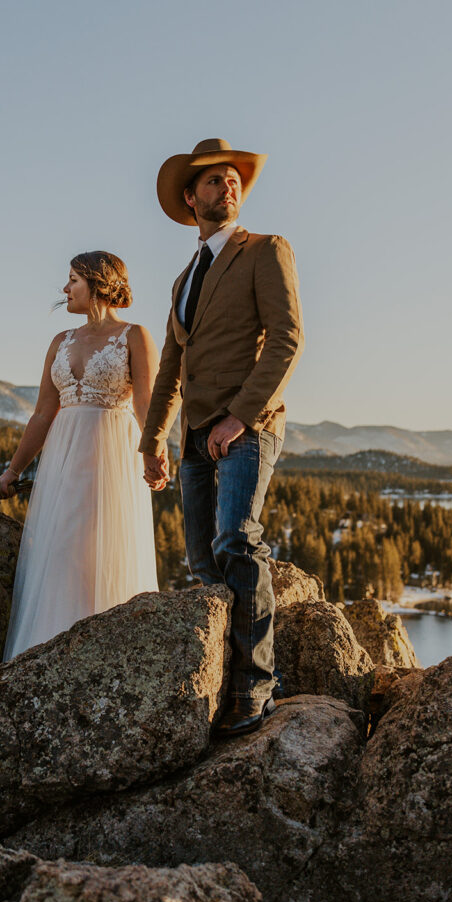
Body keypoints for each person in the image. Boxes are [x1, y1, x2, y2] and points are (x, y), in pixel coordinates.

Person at [140, 138, 304, 736]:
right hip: (192, 439)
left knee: (237, 540)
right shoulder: (184, 278)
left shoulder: (265, 251)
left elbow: (287, 340)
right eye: (213, 181)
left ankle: (254, 688)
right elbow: (167, 371)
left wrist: (241, 415)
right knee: (205, 563)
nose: (227, 187)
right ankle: (225, 673)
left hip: (247, 426)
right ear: (191, 198)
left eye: (233, 180)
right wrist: (153, 439)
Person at [0, 250, 160, 659]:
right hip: (61, 458)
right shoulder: (60, 342)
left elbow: (146, 404)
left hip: (112, 454)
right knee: (60, 547)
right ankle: (45, 652)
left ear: (97, 281)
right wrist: (12, 472)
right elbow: (41, 414)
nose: (65, 288)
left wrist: (153, 451)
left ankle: (106, 655)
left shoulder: (135, 336)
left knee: (102, 547)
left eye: (73, 279)